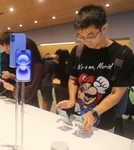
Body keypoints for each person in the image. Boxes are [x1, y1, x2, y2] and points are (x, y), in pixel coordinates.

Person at [56, 4, 134, 133]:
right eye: (80, 36)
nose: (85, 40)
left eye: (90, 35)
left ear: (104, 28)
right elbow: (73, 79)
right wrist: (71, 99)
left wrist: (93, 113)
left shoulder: (123, 55)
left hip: (105, 120)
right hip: (79, 116)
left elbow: (117, 93)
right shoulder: (78, 51)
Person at [0, 38, 44, 107]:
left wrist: (12, 88)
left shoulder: (38, 67)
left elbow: (31, 89)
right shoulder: (25, 64)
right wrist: (12, 76)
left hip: (30, 104)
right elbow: (24, 80)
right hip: (19, 100)